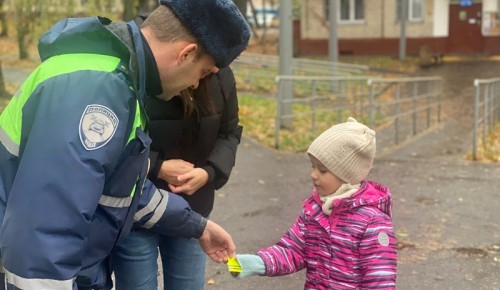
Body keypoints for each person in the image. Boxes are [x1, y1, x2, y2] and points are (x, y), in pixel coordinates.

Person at [0, 0, 250, 289]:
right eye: (203, 73)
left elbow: (126, 187)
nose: (196, 85)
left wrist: (199, 226)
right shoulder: (97, 88)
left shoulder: (118, 77)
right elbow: (48, 233)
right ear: (187, 53)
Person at [112, 66, 242, 290]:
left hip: (193, 208)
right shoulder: (140, 68)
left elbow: (229, 132)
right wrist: (157, 166)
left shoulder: (220, 73)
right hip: (138, 207)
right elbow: (117, 138)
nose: (213, 67)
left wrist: (208, 172)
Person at [231, 117, 398, 289]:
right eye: (313, 166)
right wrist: (258, 263)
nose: (313, 175)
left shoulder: (373, 222)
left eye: (322, 170)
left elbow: (379, 280)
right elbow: (294, 249)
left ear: (348, 175)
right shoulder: (315, 211)